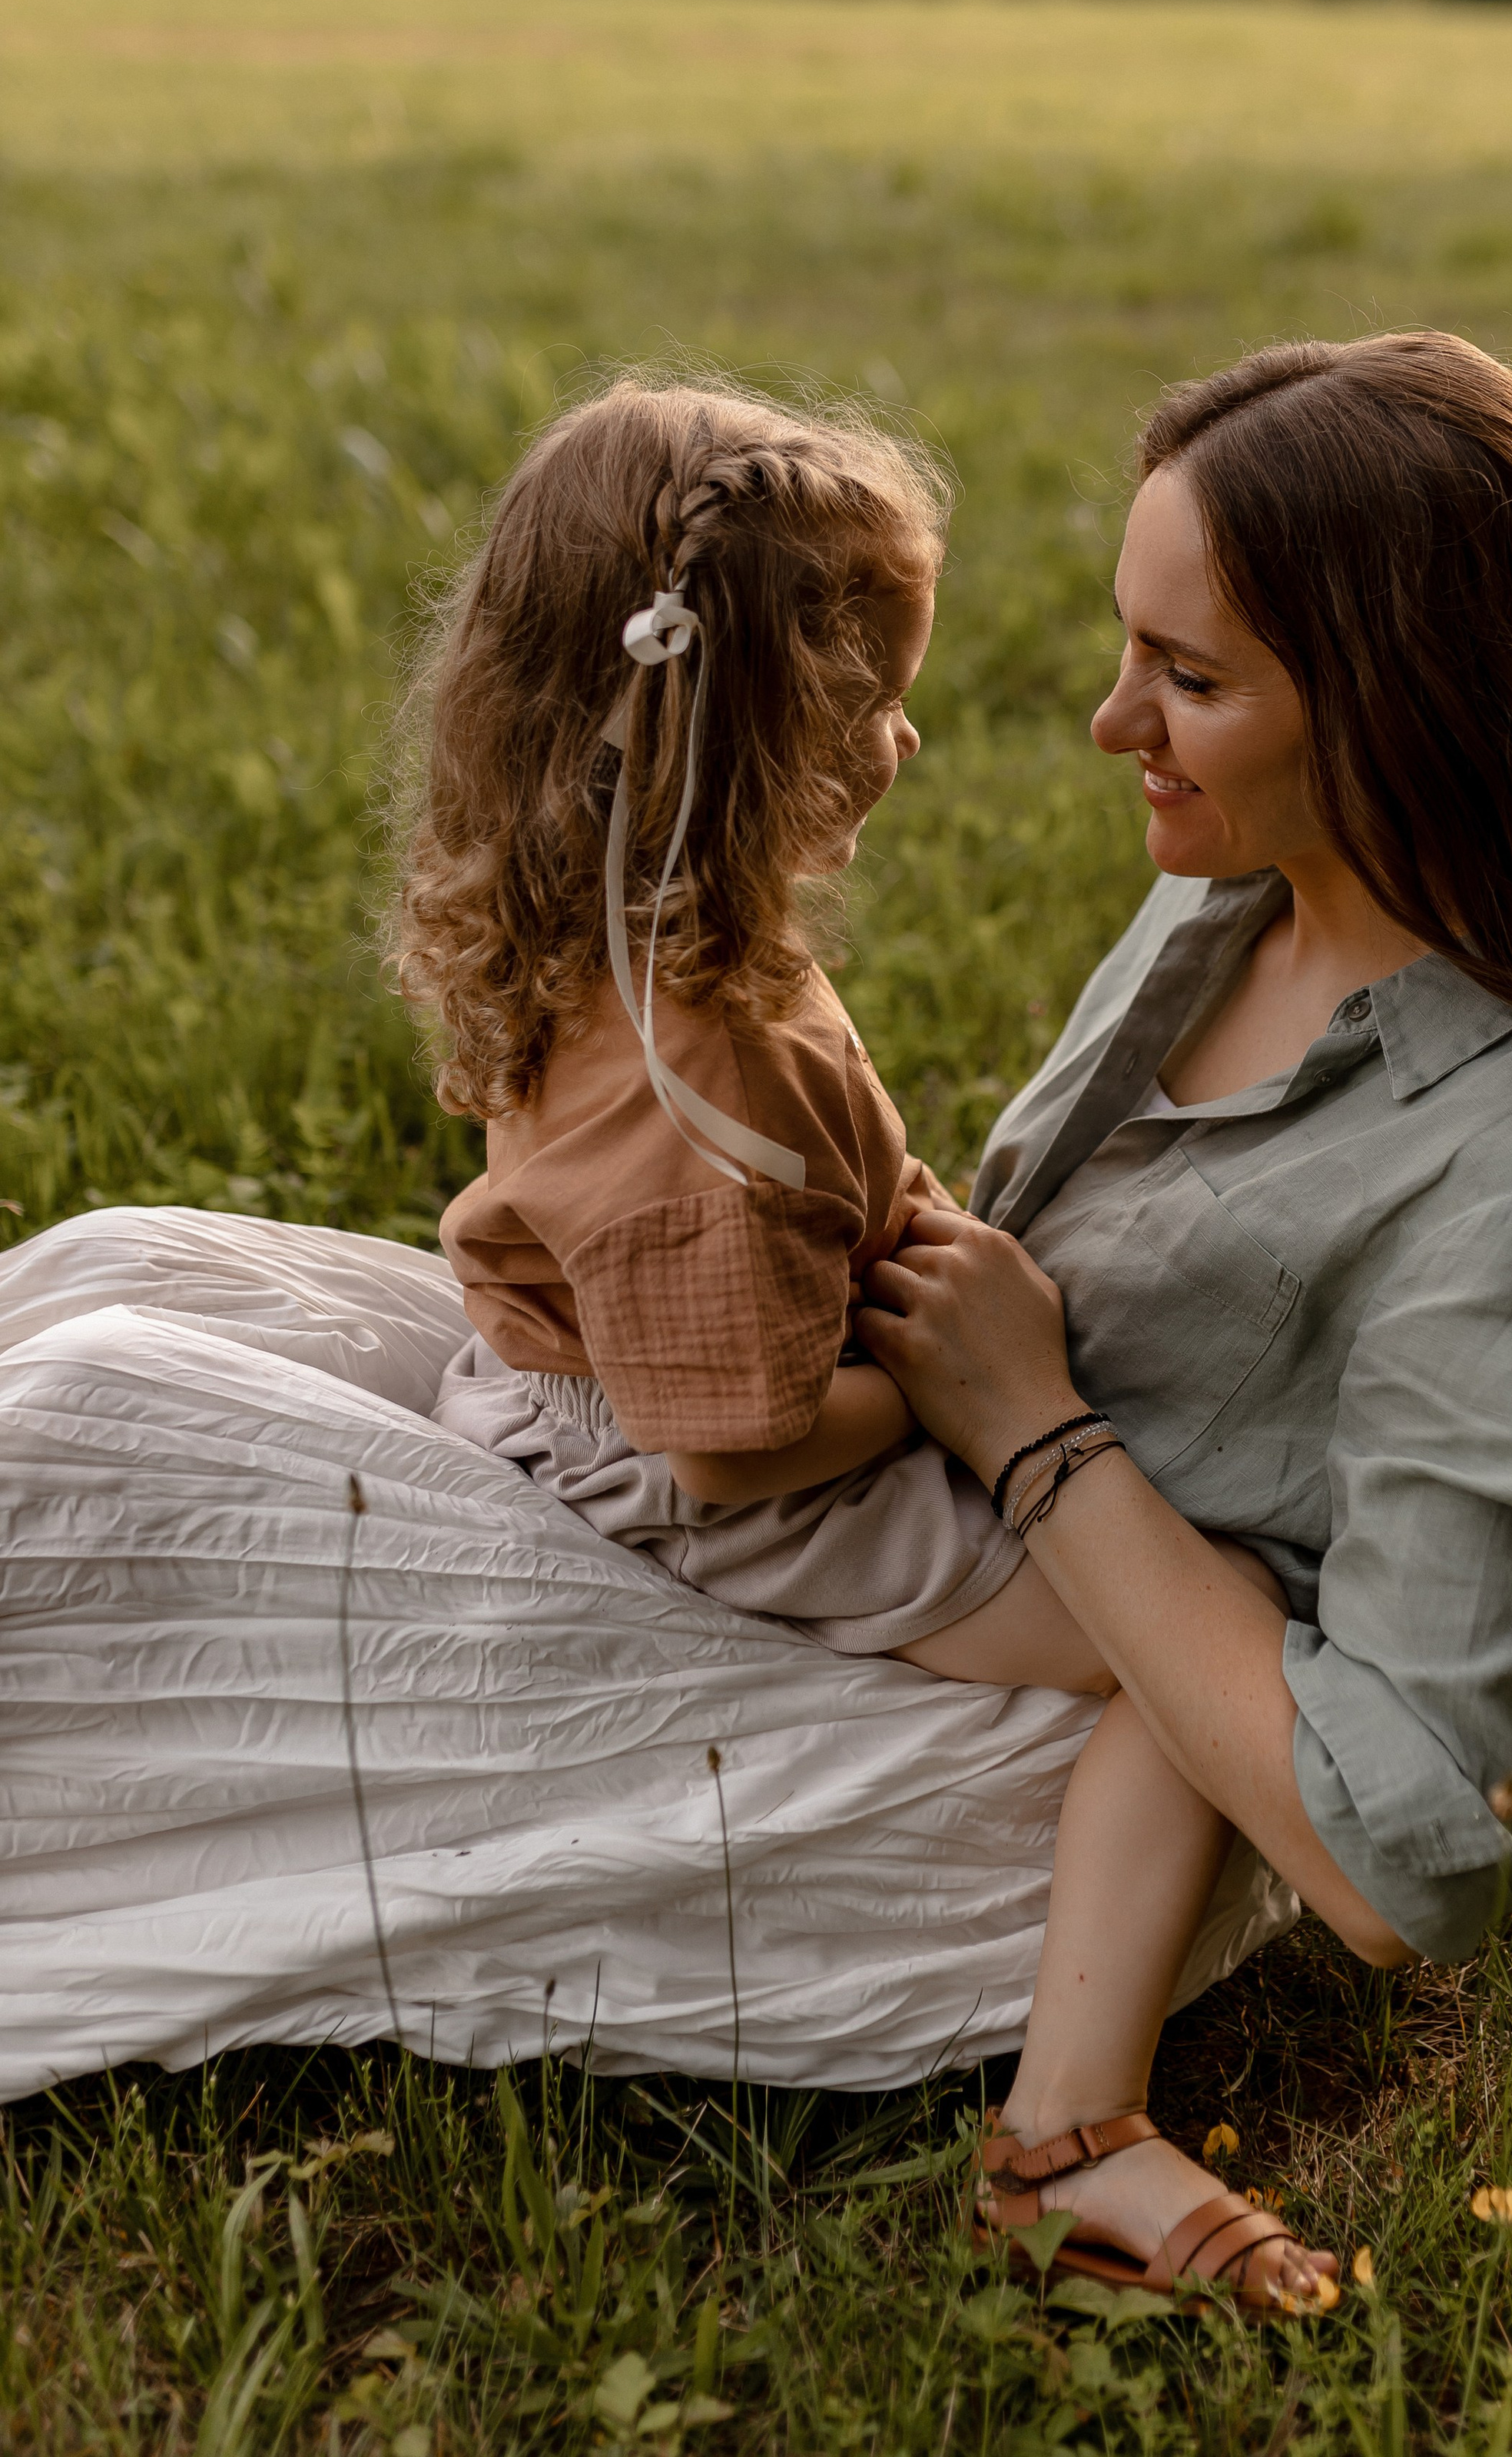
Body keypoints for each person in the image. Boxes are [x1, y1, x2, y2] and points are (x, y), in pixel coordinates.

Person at [395, 373, 1335, 2309]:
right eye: (866, 700)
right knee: (1197, 1635)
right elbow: (730, 1445)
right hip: (738, 1479)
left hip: (710, 1380)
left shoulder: (643, 924)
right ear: (740, 732)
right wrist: (960, 1387)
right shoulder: (688, 1085)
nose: (904, 734)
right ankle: (1066, 2135)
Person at [857, 332, 1512, 2310]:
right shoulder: (1233, 901)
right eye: (1132, 650)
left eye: (1190, 680)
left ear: (1402, 706)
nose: (1113, 723)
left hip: (1009, 1675)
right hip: (892, 1522)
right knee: (138, 1310)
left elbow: (1404, 1856)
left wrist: (1029, 1422)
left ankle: (1062, 2132)